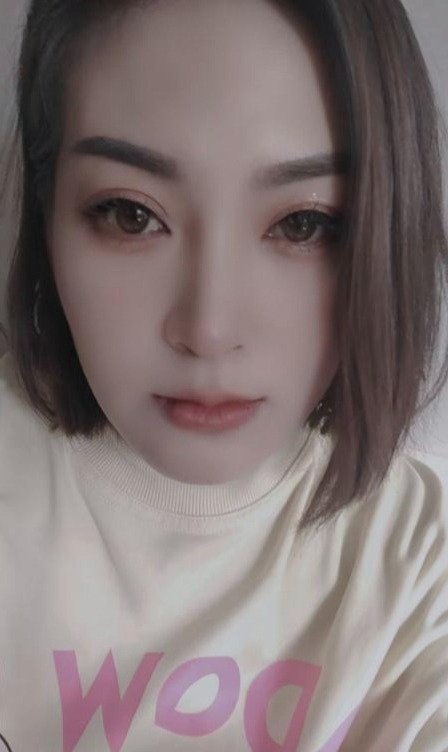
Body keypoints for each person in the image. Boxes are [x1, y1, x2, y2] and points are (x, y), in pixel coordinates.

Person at [0, 0, 447, 749]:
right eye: (131, 215)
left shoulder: (417, 563)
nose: (208, 330)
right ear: (44, 216)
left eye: (304, 224)